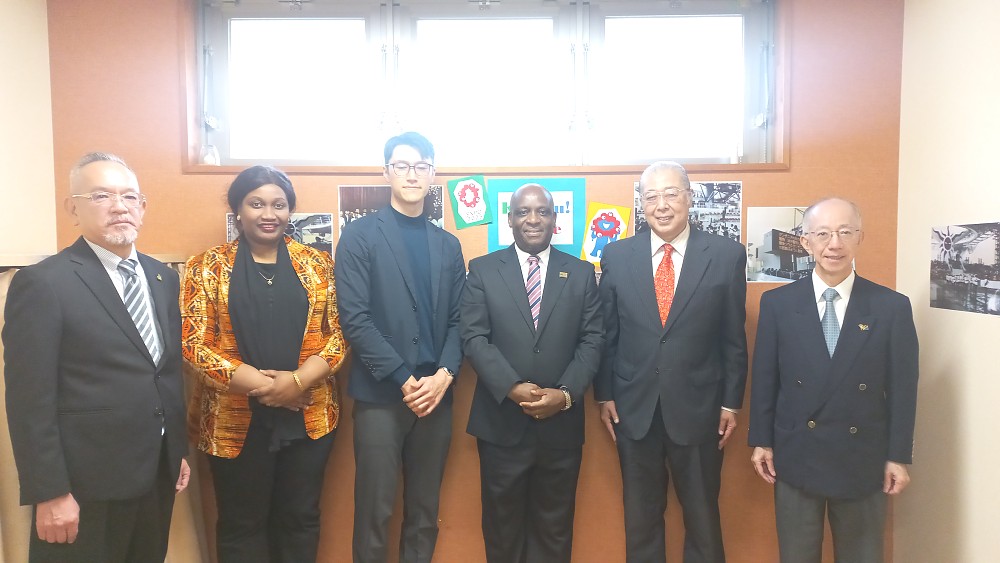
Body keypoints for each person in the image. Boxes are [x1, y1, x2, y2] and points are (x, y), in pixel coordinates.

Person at [3, 152, 190, 562]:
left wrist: (175, 451)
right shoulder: (43, 283)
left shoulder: (163, 278)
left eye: (129, 196)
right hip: (82, 486)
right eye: (102, 195)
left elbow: (165, 373)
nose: (119, 206)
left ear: (142, 207)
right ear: (74, 208)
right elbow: (28, 399)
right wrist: (49, 491)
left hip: (155, 474)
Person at [181, 165, 347, 563]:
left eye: (279, 204)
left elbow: (339, 335)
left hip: (308, 414)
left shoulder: (318, 265)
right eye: (256, 203)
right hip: (232, 417)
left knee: (300, 518)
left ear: (290, 211)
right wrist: (269, 388)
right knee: (242, 524)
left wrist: (299, 381)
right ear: (238, 209)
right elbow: (193, 344)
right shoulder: (205, 266)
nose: (268, 213)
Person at [748, 198, 919, 563]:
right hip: (796, 455)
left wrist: (898, 455)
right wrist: (761, 440)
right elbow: (765, 379)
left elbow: (904, 388)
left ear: (860, 237)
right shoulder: (777, 304)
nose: (834, 244)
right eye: (822, 234)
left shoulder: (890, 307)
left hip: (863, 458)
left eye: (845, 232)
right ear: (806, 241)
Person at [596, 161, 748, 563]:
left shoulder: (726, 255)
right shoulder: (615, 255)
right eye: (651, 196)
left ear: (688, 197)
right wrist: (604, 394)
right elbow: (608, 334)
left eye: (671, 194)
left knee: (702, 518)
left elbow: (733, 337)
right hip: (633, 408)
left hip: (700, 409)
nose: (661, 205)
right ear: (641, 203)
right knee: (641, 519)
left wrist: (731, 402)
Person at [335, 132, 466, 563]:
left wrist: (444, 375)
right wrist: (404, 379)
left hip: (436, 394)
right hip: (381, 394)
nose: (412, 175)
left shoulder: (447, 244)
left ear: (433, 173)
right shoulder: (359, 236)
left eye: (421, 166)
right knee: (375, 510)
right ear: (386, 171)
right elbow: (355, 318)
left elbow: (458, 320)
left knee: (425, 512)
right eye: (402, 166)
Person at [462, 183, 603, 563]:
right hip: (501, 424)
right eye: (523, 212)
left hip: (561, 426)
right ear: (509, 219)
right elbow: (474, 337)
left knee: (555, 530)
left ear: (555, 220)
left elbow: (593, 341)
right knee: (501, 529)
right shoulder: (483, 270)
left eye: (542, 211)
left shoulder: (581, 273)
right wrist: (511, 386)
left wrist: (566, 394)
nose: (533, 219)